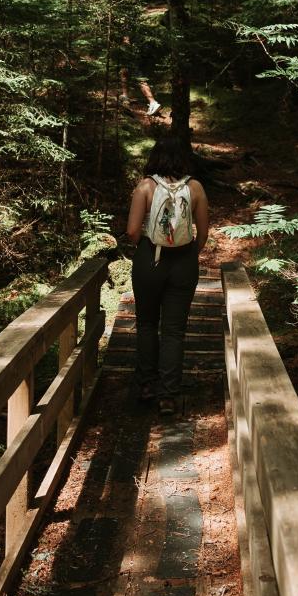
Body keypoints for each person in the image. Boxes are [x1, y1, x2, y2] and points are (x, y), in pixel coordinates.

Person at [125, 132, 209, 414]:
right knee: (174, 330)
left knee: (147, 323)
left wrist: (148, 248)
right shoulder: (195, 187)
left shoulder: (145, 187)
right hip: (184, 261)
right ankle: (168, 396)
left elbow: (133, 231)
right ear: (183, 158)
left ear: (155, 157)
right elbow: (204, 232)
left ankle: (147, 385)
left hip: (150, 259)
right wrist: (188, 255)